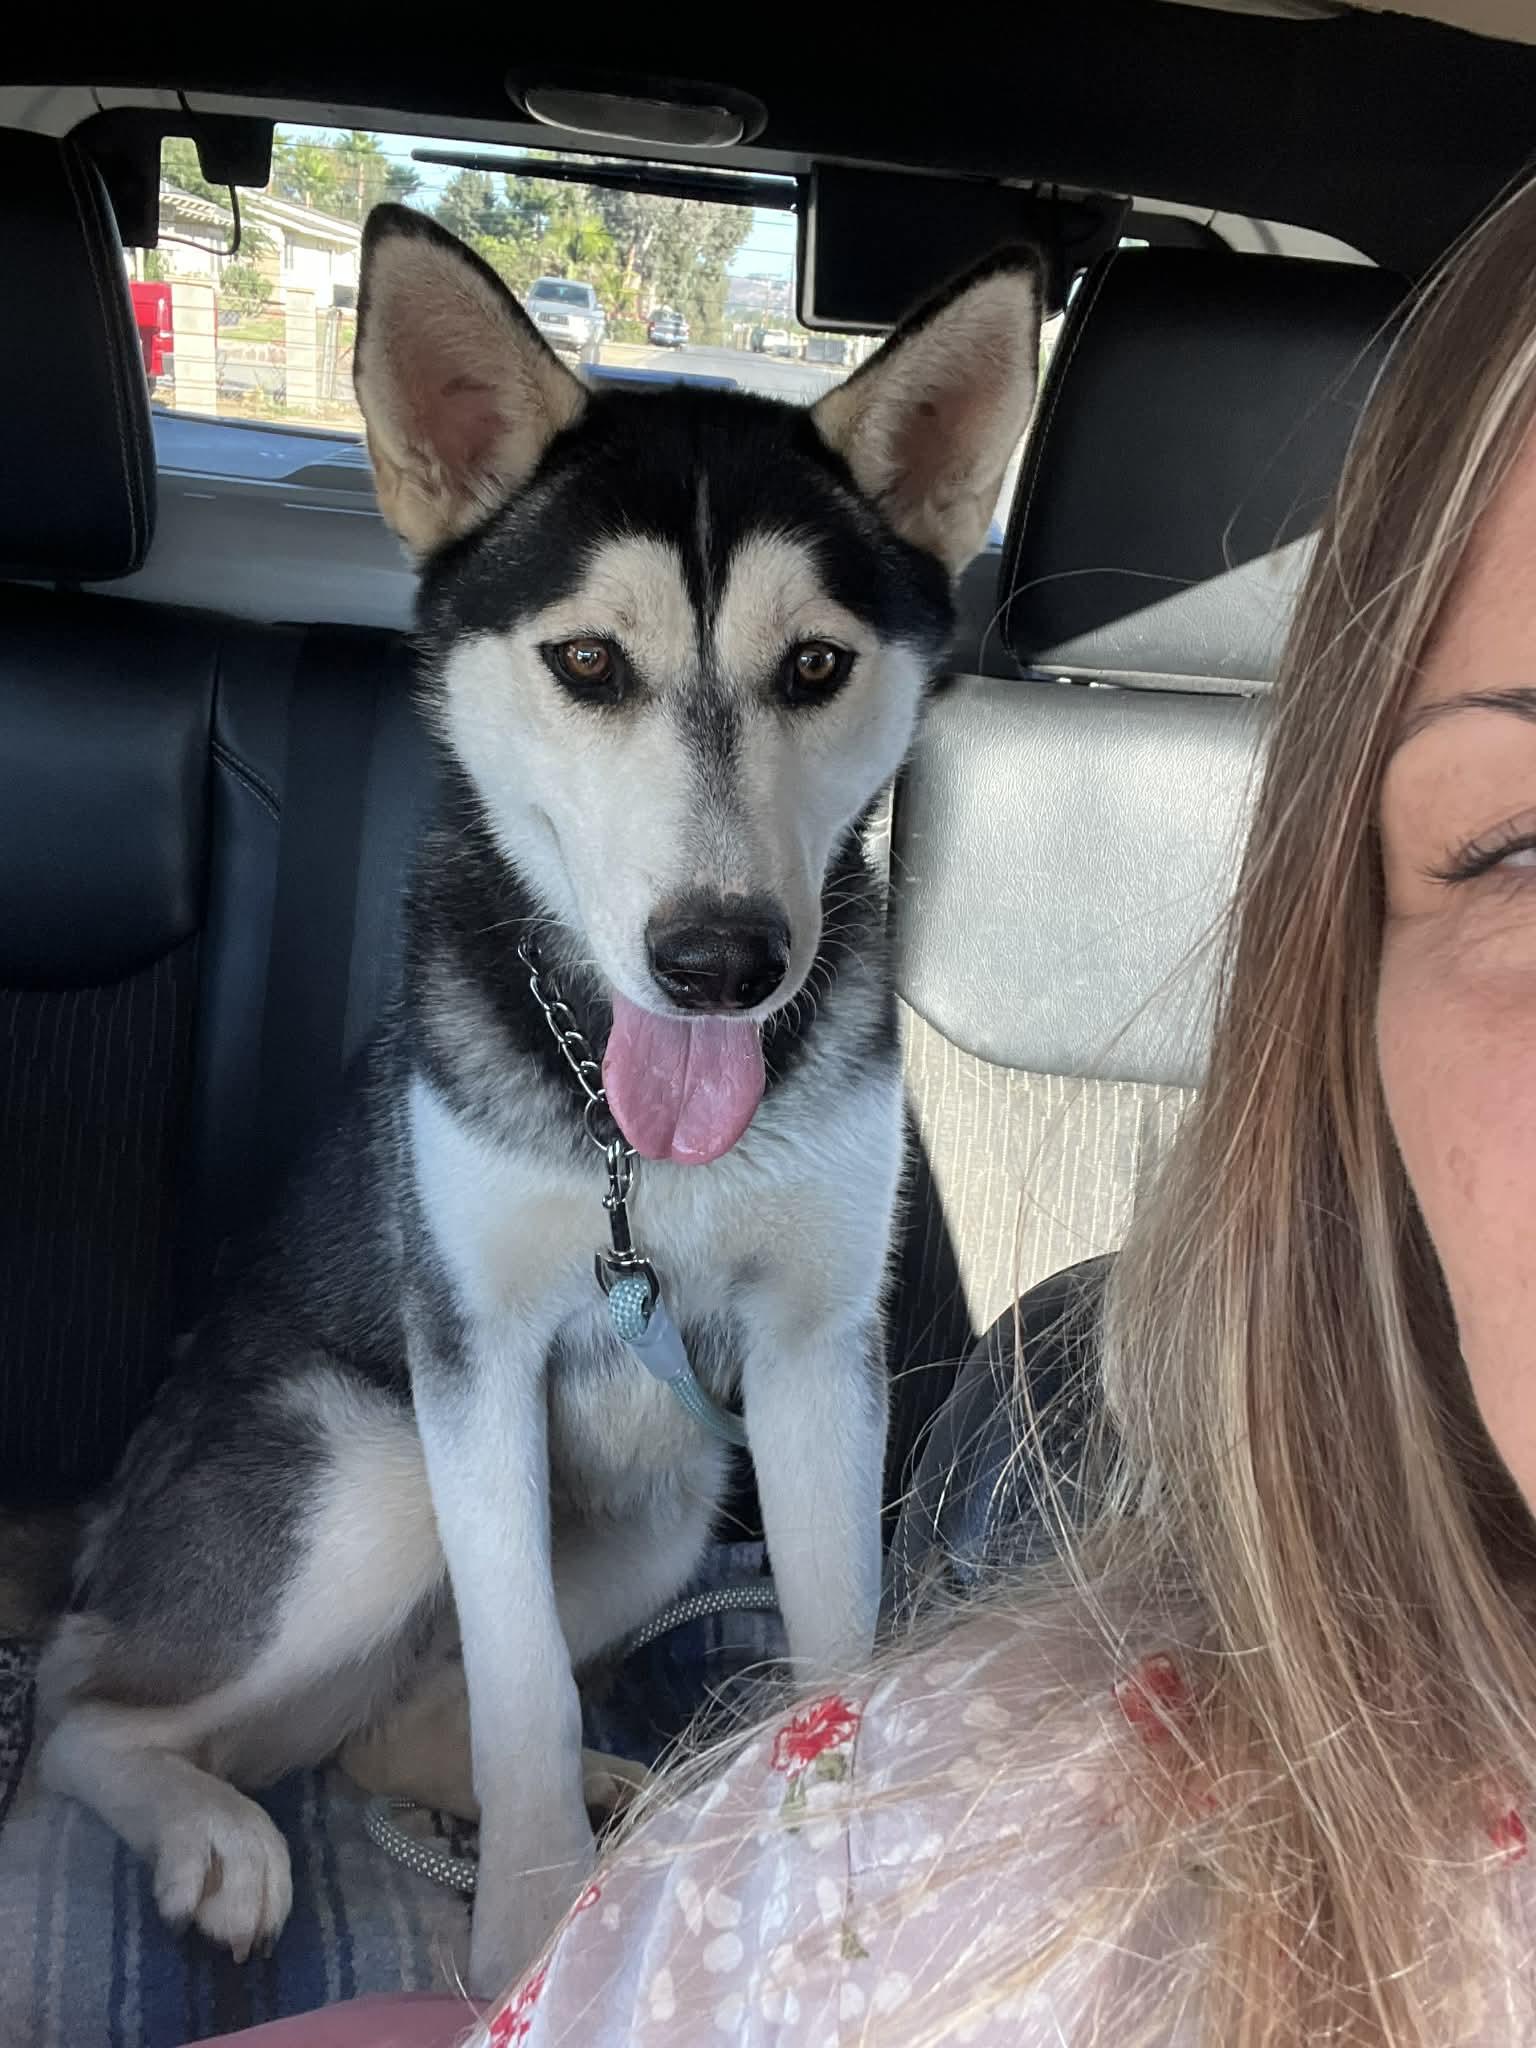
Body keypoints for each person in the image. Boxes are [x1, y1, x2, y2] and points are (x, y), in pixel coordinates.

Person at [213, 174, 1536, 2047]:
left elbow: (820, 1360)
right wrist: (530, 1851)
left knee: (753, 1424)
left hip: (649, 1516)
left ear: (930, 518)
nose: (719, 888)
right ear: (445, 478)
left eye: (810, 675)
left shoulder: (816, 964)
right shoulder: (490, 972)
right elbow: (469, 1372)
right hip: (391, 1446)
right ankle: (453, 1774)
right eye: (592, 673)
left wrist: (860, 1804)